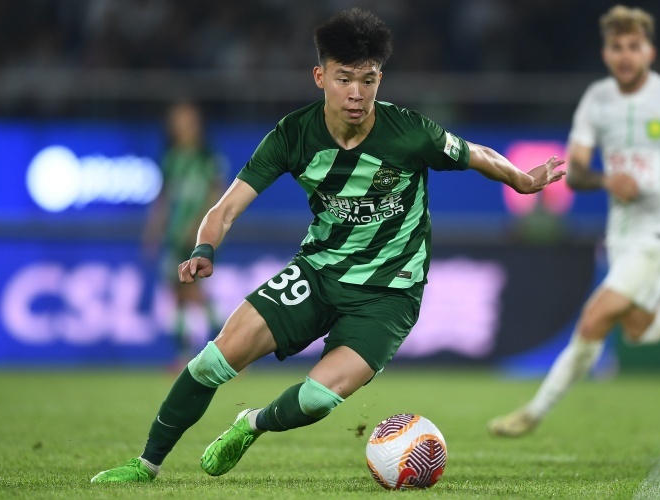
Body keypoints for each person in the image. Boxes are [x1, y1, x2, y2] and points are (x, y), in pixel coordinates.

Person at [91, 7, 565, 483]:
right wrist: (203, 250)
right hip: (317, 273)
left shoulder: (409, 132)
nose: (356, 93)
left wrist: (521, 180)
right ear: (320, 77)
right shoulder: (293, 135)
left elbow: (475, 153)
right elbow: (225, 208)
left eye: (367, 80)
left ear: (380, 80)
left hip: (389, 294)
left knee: (317, 399)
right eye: (344, 79)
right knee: (214, 360)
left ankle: (252, 423)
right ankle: (145, 465)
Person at [489, 5, 660, 438]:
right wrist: (608, 179)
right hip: (621, 233)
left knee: (593, 318)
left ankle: (532, 413)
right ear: (606, 53)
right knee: (638, 329)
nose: (624, 55)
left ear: (649, 52)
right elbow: (578, 171)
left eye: (633, 46)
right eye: (616, 47)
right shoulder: (597, 100)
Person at [142, 102, 225, 366]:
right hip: (174, 237)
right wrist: (153, 231)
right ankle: (184, 355)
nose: (182, 126)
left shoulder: (207, 159)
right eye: (177, 121)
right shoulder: (171, 159)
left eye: (187, 121)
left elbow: (217, 197)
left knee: (192, 291)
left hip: (197, 238)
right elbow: (164, 200)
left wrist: (203, 227)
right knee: (177, 294)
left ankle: (225, 349)